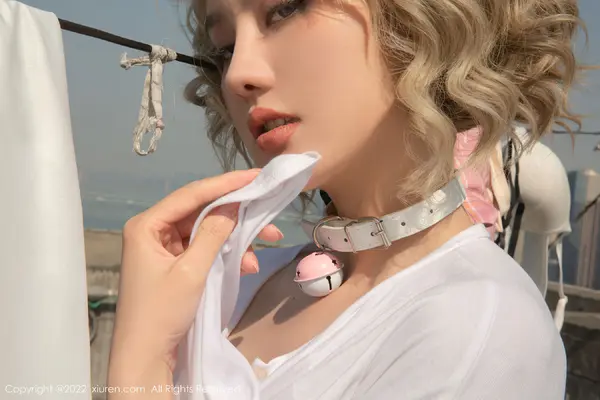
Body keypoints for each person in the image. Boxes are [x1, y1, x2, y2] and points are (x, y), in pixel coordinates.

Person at [106, 0, 586, 398]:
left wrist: (139, 368)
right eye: (225, 48)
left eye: (286, 9)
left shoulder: (482, 326)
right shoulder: (231, 285)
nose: (238, 74)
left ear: (417, 18)